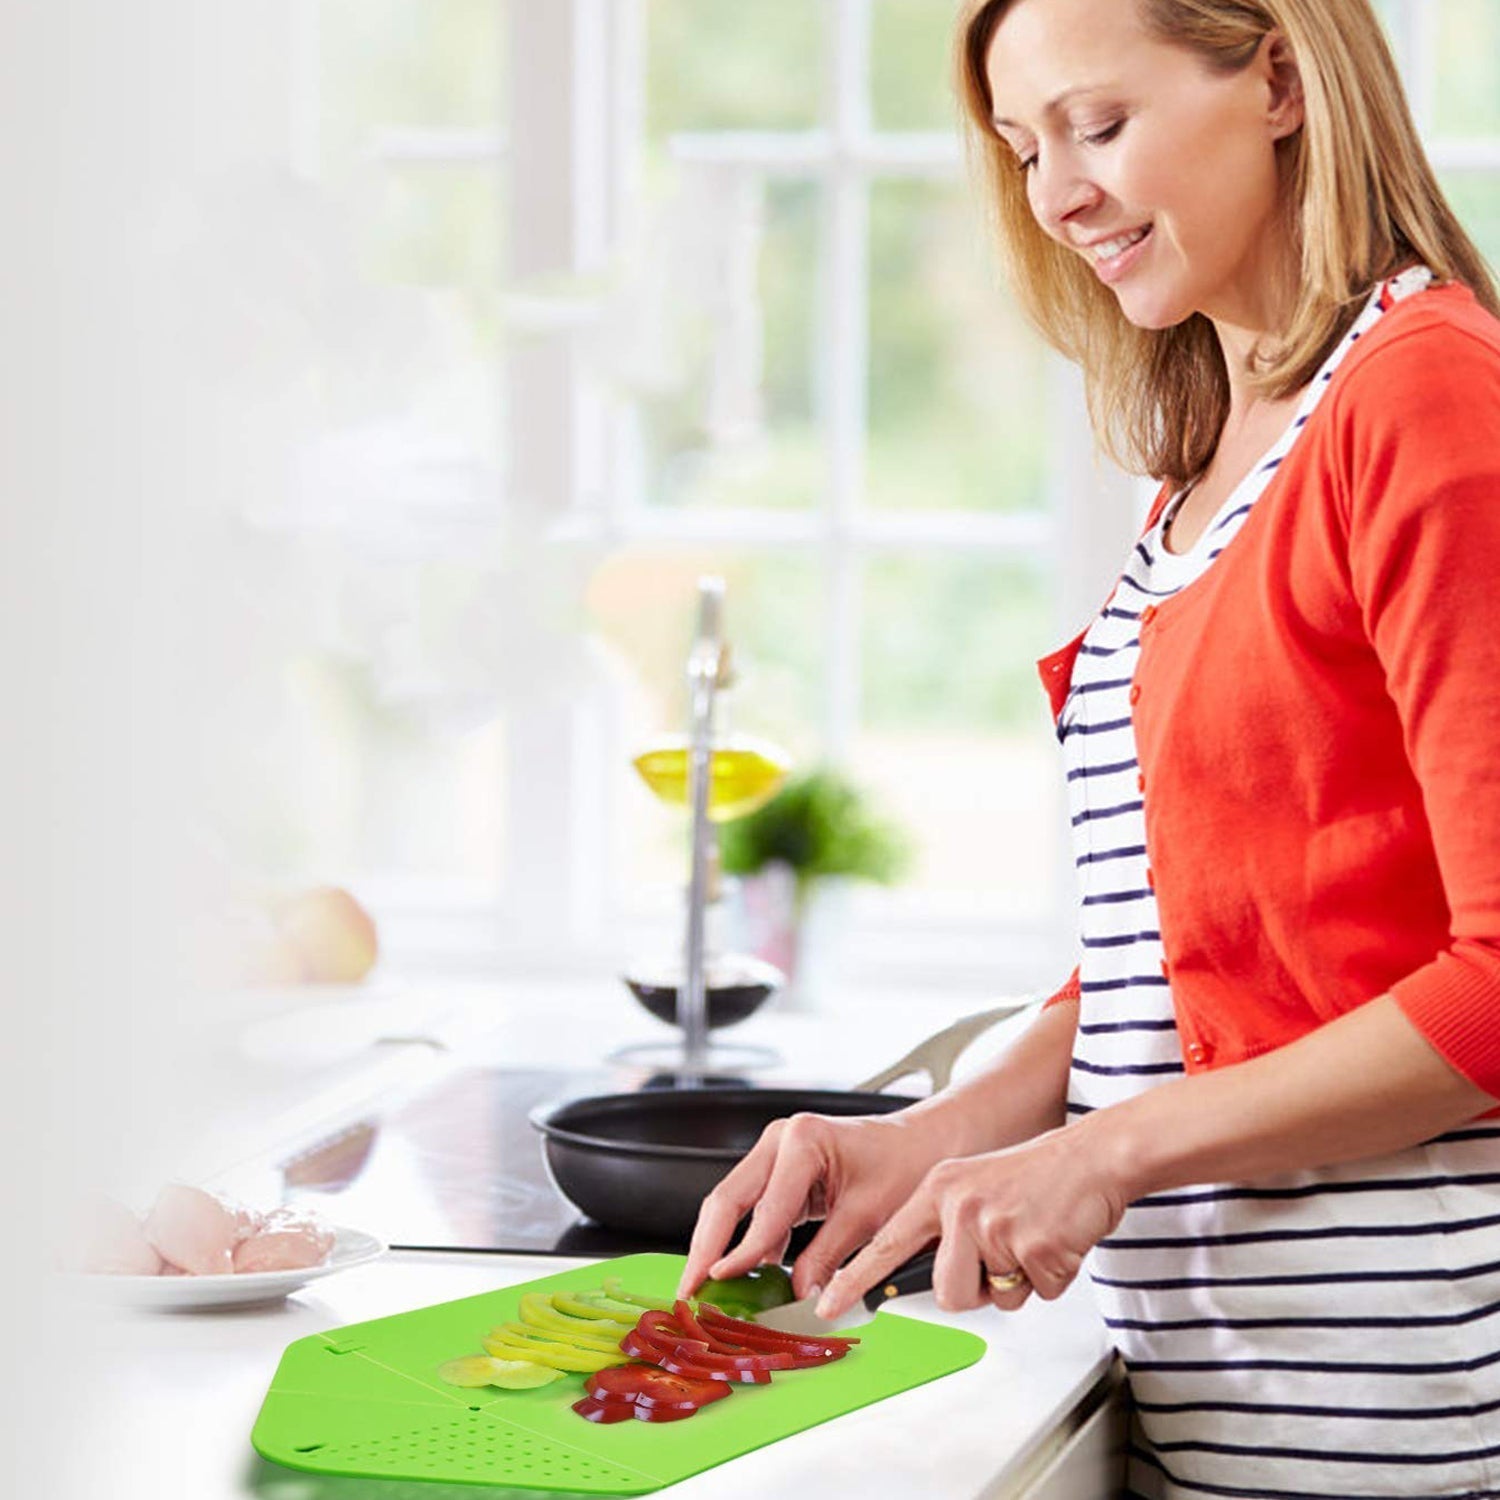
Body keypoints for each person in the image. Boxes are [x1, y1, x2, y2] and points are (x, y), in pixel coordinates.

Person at [677, 1, 1500, 1494]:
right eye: (1022, 147)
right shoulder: (1216, 455)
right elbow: (1176, 956)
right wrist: (930, 1137)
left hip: (1400, 1409)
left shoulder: (1425, 399)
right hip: (1213, 1393)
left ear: (1281, 79)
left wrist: (1104, 1155)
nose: (1057, 197)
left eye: (1098, 126)